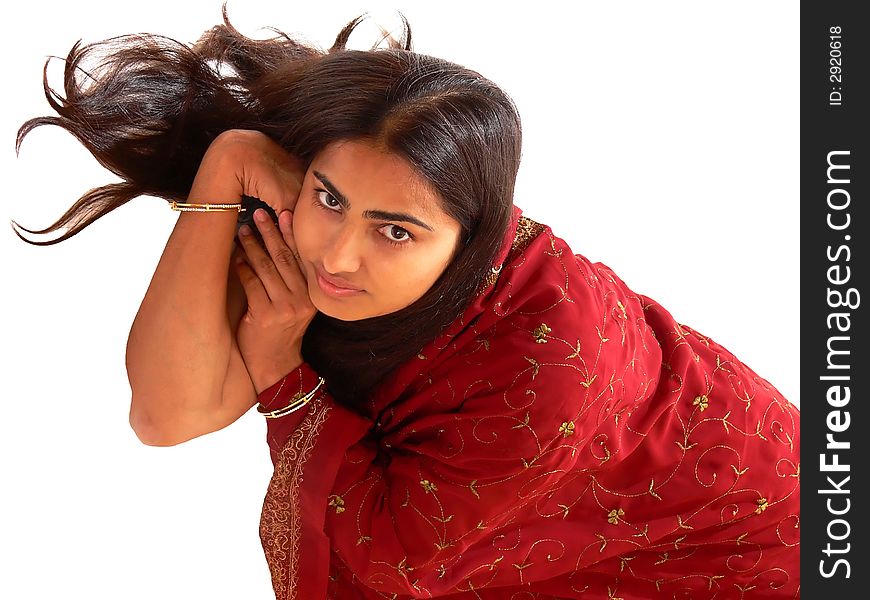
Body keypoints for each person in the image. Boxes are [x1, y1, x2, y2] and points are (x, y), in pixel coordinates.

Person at [12, 8, 800, 600]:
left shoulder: (544, 368)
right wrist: (228, 163)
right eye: (328, 197)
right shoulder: (319, 203)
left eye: (394, 230)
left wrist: (292, 377)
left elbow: (392, 563)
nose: (337, 256)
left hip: (755, 547)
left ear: (473, 235)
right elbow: (166, 414)